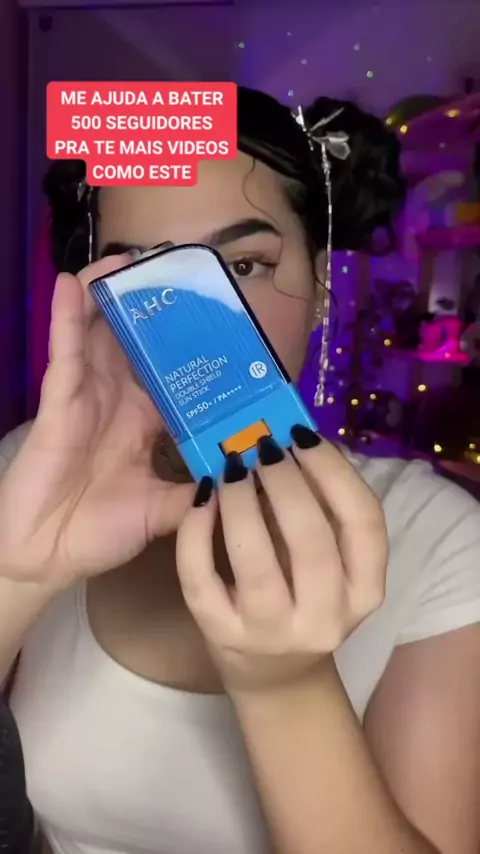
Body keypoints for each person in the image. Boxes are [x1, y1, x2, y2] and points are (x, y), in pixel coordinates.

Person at [0, 86, 479, 854]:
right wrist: (15, 582)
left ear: (320, 287)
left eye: (246, 264)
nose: (194, 323)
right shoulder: (31, 474)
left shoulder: (444, 540)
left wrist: (286, 687)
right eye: (140, 274)